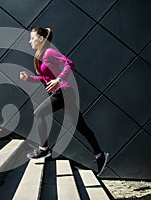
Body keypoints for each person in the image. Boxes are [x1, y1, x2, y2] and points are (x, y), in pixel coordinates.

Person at [20, 27, 109, 176]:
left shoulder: (49, 52)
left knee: (39, 113)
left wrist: (59, 79)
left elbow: (69, 63)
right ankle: (100, 155)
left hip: (64, 92)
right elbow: (44, 79)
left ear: (41, 39)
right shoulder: (41, 55)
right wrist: (28, 78)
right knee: (81, 127)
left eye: (32, 38)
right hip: (63, 93)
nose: (30, 41)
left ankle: (44, 149)